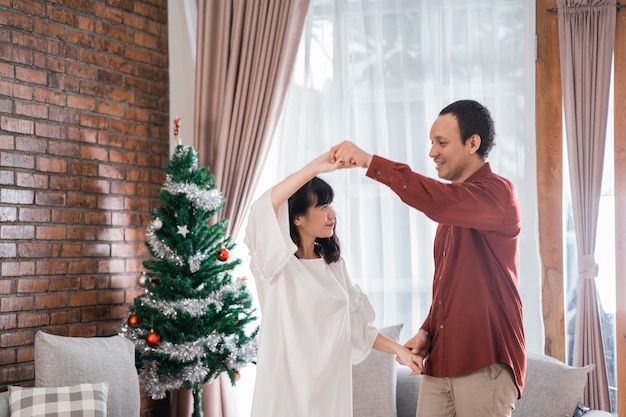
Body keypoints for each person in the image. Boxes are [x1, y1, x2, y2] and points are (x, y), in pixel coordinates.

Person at [329, 99, 526, 417]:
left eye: (442, 142)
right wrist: (427, 331)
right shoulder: (452, 211)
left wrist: (370, 162)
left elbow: (439, 201)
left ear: (472, 143)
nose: (432, 152)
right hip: (441, 364)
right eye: (431, 142)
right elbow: (452, 288)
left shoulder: (498, 194)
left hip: (484, 361)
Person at [244, 152, 421, 417]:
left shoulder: (334, 266)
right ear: (297, 218)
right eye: (322, 206)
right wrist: (315, 167)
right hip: (287, 393)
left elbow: (359, 328)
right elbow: (261, 209)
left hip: (330, 392)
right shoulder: (275, 267)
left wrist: (399, 350)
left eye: (330, 205)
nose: (332, 213)